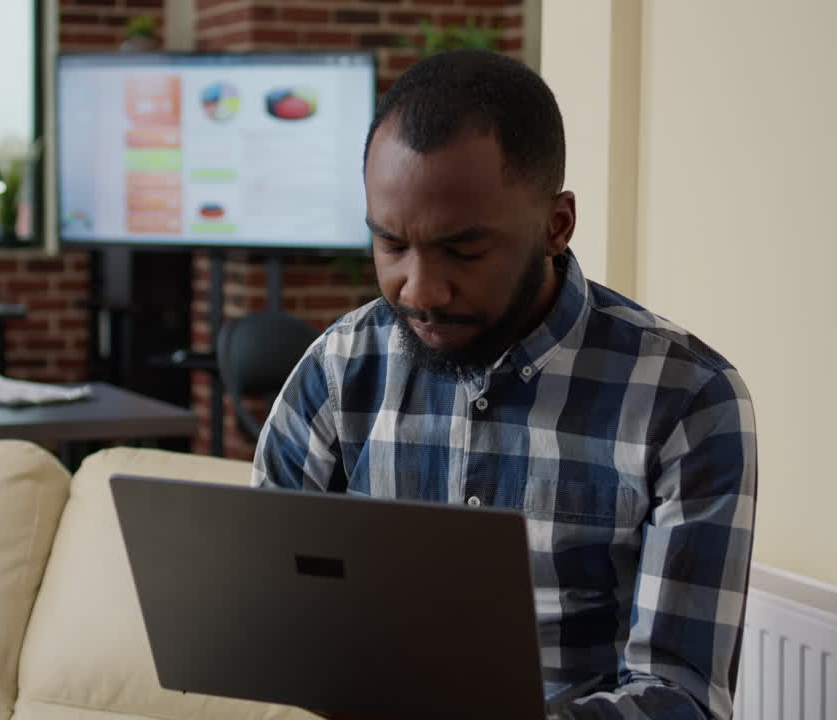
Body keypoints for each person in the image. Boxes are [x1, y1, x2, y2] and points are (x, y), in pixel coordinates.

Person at [253, 51, 756, 720]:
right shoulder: (338, 368)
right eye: (391, 245)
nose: (420, 290)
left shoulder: (688, 402)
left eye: (463, 251)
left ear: (557, 225)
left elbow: (681, 698)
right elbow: (263, 613)